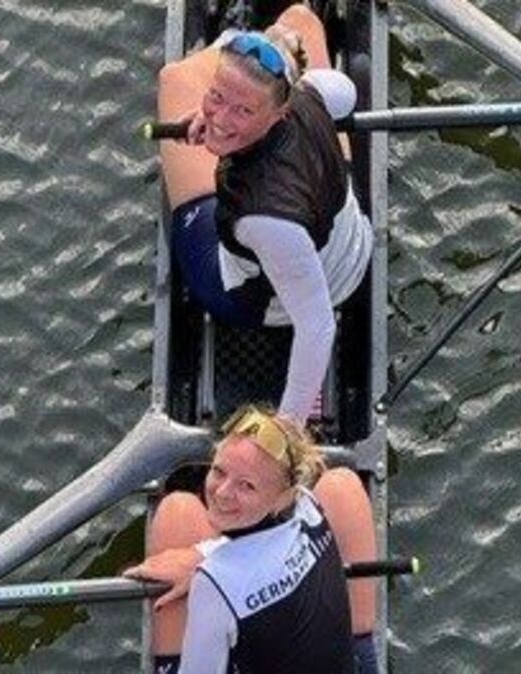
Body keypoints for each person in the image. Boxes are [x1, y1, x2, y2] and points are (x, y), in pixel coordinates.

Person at [157, 3, 373, 425]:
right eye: (216, 98)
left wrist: (287, 429)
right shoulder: (312, 94)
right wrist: (245, 97)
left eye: (243, 110)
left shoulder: (263, 219)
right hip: (349, 243)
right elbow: (345, 93)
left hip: (267, 299)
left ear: (279, 113)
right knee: (300, 18)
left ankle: (230, 44)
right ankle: (266, 45)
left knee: (174, 79)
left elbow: (318, 328)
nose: (219, 118)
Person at [124, 405, 378, 673]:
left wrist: (205, 569)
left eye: (246, 485)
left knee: (178, 513)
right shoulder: (309, 507)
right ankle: (364, 649)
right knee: (341, 485)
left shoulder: (213, 583)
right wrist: (205, 554)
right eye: (219, 471)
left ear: (282, 497)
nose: (222, 492)